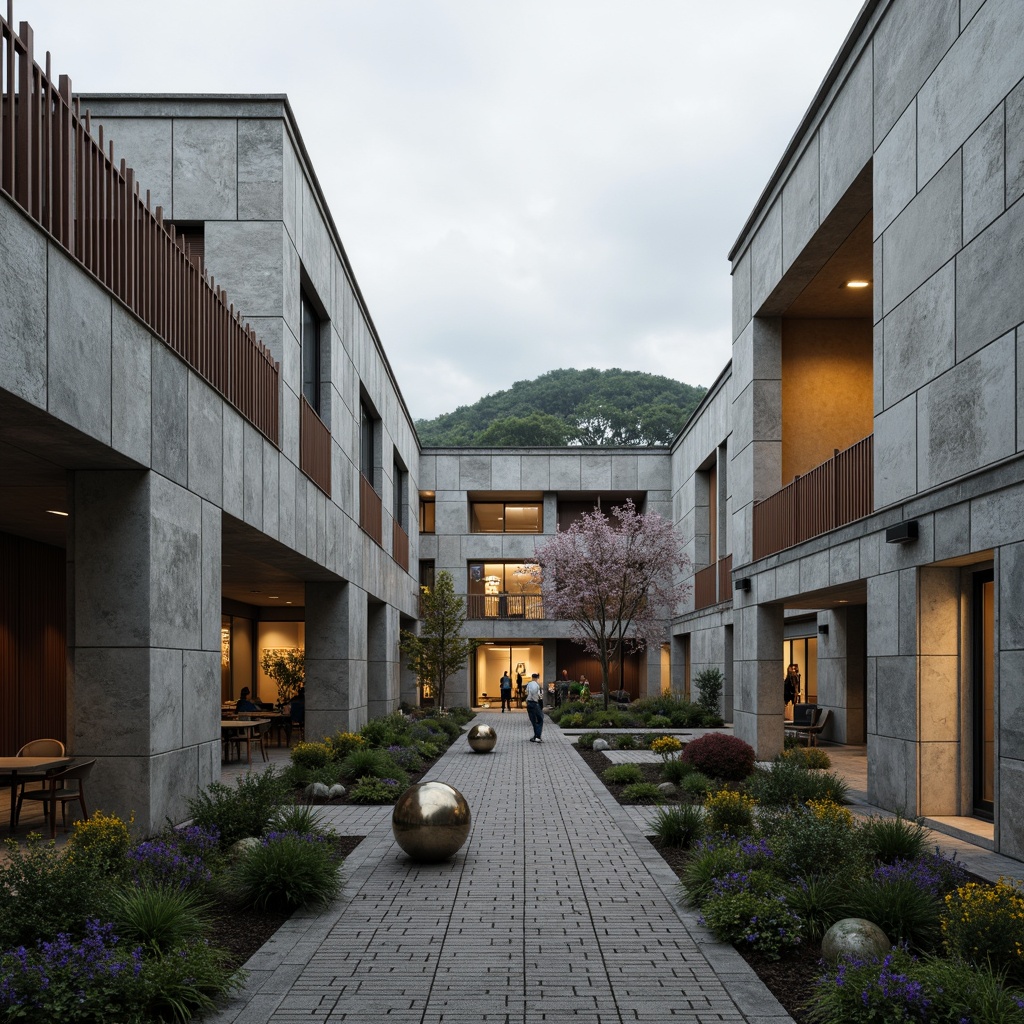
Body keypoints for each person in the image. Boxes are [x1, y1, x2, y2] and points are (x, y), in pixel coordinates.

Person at [525, 672, 544, 742]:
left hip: (529, 703)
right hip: (534, 703)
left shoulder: (528, 684)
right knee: (540, 719)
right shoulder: (536, 685)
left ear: (532, 677)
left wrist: (527, 700)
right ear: (537, 678)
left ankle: (535, 736)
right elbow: (539, 695)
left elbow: (526, 692)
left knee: (533, 720)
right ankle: (538, 737)